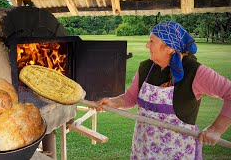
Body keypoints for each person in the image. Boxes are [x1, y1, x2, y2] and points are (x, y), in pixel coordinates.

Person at [95, 21, 231, 159]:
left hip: (177, 152)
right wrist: (113, 102)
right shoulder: (146, 67)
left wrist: (216, 129)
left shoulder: (194, 71)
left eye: (152, 41)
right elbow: (130, 98)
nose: (147, 45)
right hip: (143, 149)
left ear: (170, 48)